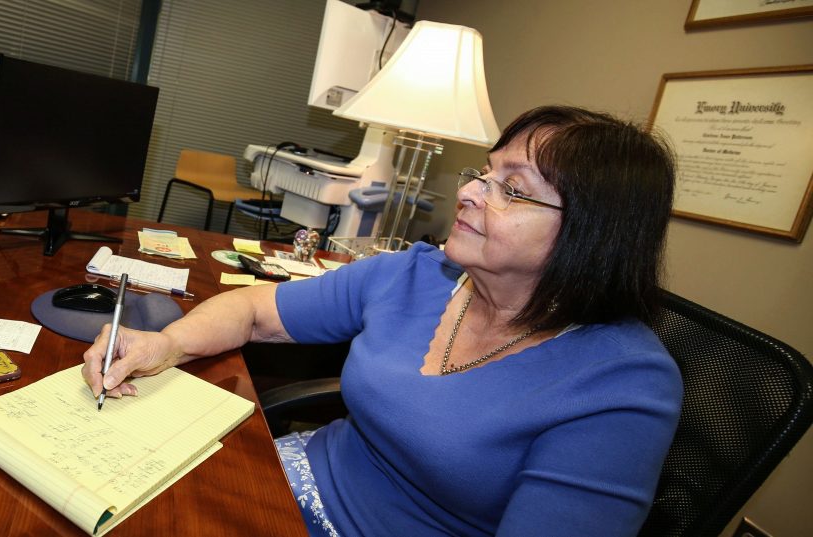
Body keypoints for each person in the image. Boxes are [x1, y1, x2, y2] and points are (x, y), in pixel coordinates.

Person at [82, 105, 682, 536]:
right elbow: (254, 310)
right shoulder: (416, 273)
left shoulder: (622, 385)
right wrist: (163, 343)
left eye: (513, 190)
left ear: (591, 233)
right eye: (485, 172)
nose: (472, 192)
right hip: (293, 477)